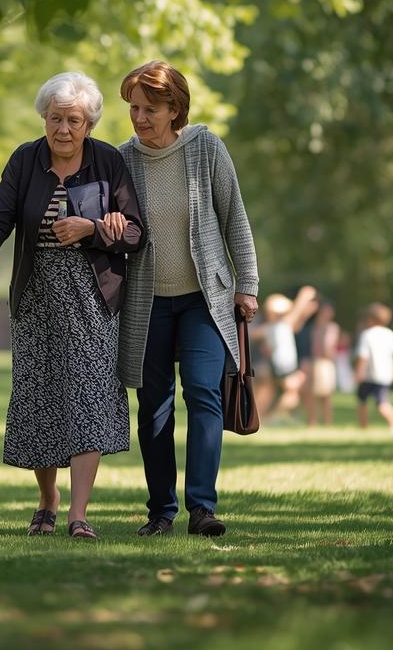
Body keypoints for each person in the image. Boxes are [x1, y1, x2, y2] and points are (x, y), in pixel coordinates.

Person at [0, 71, 145, 540]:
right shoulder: (25, 160)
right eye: (55, 119)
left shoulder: (108, 162)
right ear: (44, 118)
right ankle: (47, 499)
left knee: (88, 397)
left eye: (73, 120)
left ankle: (78, 513)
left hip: (92, 299)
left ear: (89, 124)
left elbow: (135, 233)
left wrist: (93, 229)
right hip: (36, 296)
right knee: (41, 397)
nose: (63, 129)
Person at [117, 61, 258, 538]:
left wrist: (248, 284)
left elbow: (234, 217)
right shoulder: (122, 159)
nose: (139, 118)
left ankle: (202, 508)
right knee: (154, 406)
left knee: (203, 392)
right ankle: (161, 512)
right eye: (134, 108)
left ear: (174, 109)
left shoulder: (205, 148)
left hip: (204, 298)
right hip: (147, 302)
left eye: (150, 109)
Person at [264, 286, 319, 422]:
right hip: (284, 364)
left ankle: (276, 416)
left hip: (281, 364)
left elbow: (297, 321)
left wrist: (306, 310)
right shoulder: (281, 324)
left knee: (291, 390)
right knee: (293, 392)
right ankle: (274, 417)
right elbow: (296, 312)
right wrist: (304, 296)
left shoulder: (275, 326)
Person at [354, 303, 393, 434]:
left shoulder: (367, 335)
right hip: (385, 375)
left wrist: (359, 372)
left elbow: (363, 356)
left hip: (369, 375)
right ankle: (364, 427)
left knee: (370, 402)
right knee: (373, 400)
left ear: (370, 319)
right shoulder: (389, 334)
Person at [309, 300, 340, 426]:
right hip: (318, 361)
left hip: (325, 362)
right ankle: (313, 421)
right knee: (315, 394)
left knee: (326, 395)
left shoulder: (331, 327)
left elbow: (328, 347)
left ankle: (326, 421)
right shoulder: (316, 327)